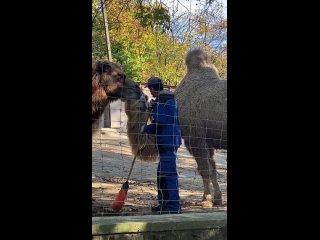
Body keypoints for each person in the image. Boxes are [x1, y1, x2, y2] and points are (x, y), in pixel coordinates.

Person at [141, 76, 182, 214]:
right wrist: (145, 129)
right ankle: (164, 203)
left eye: (149, 89)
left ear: (153, 88)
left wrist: (152, 109)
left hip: (169, 143)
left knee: (169, 175)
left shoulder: (166, 99)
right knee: (161, 175)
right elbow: (158, 125)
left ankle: (173, 207)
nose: (150, 92)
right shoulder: (162, 100)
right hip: (165, 142)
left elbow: (161, 120)